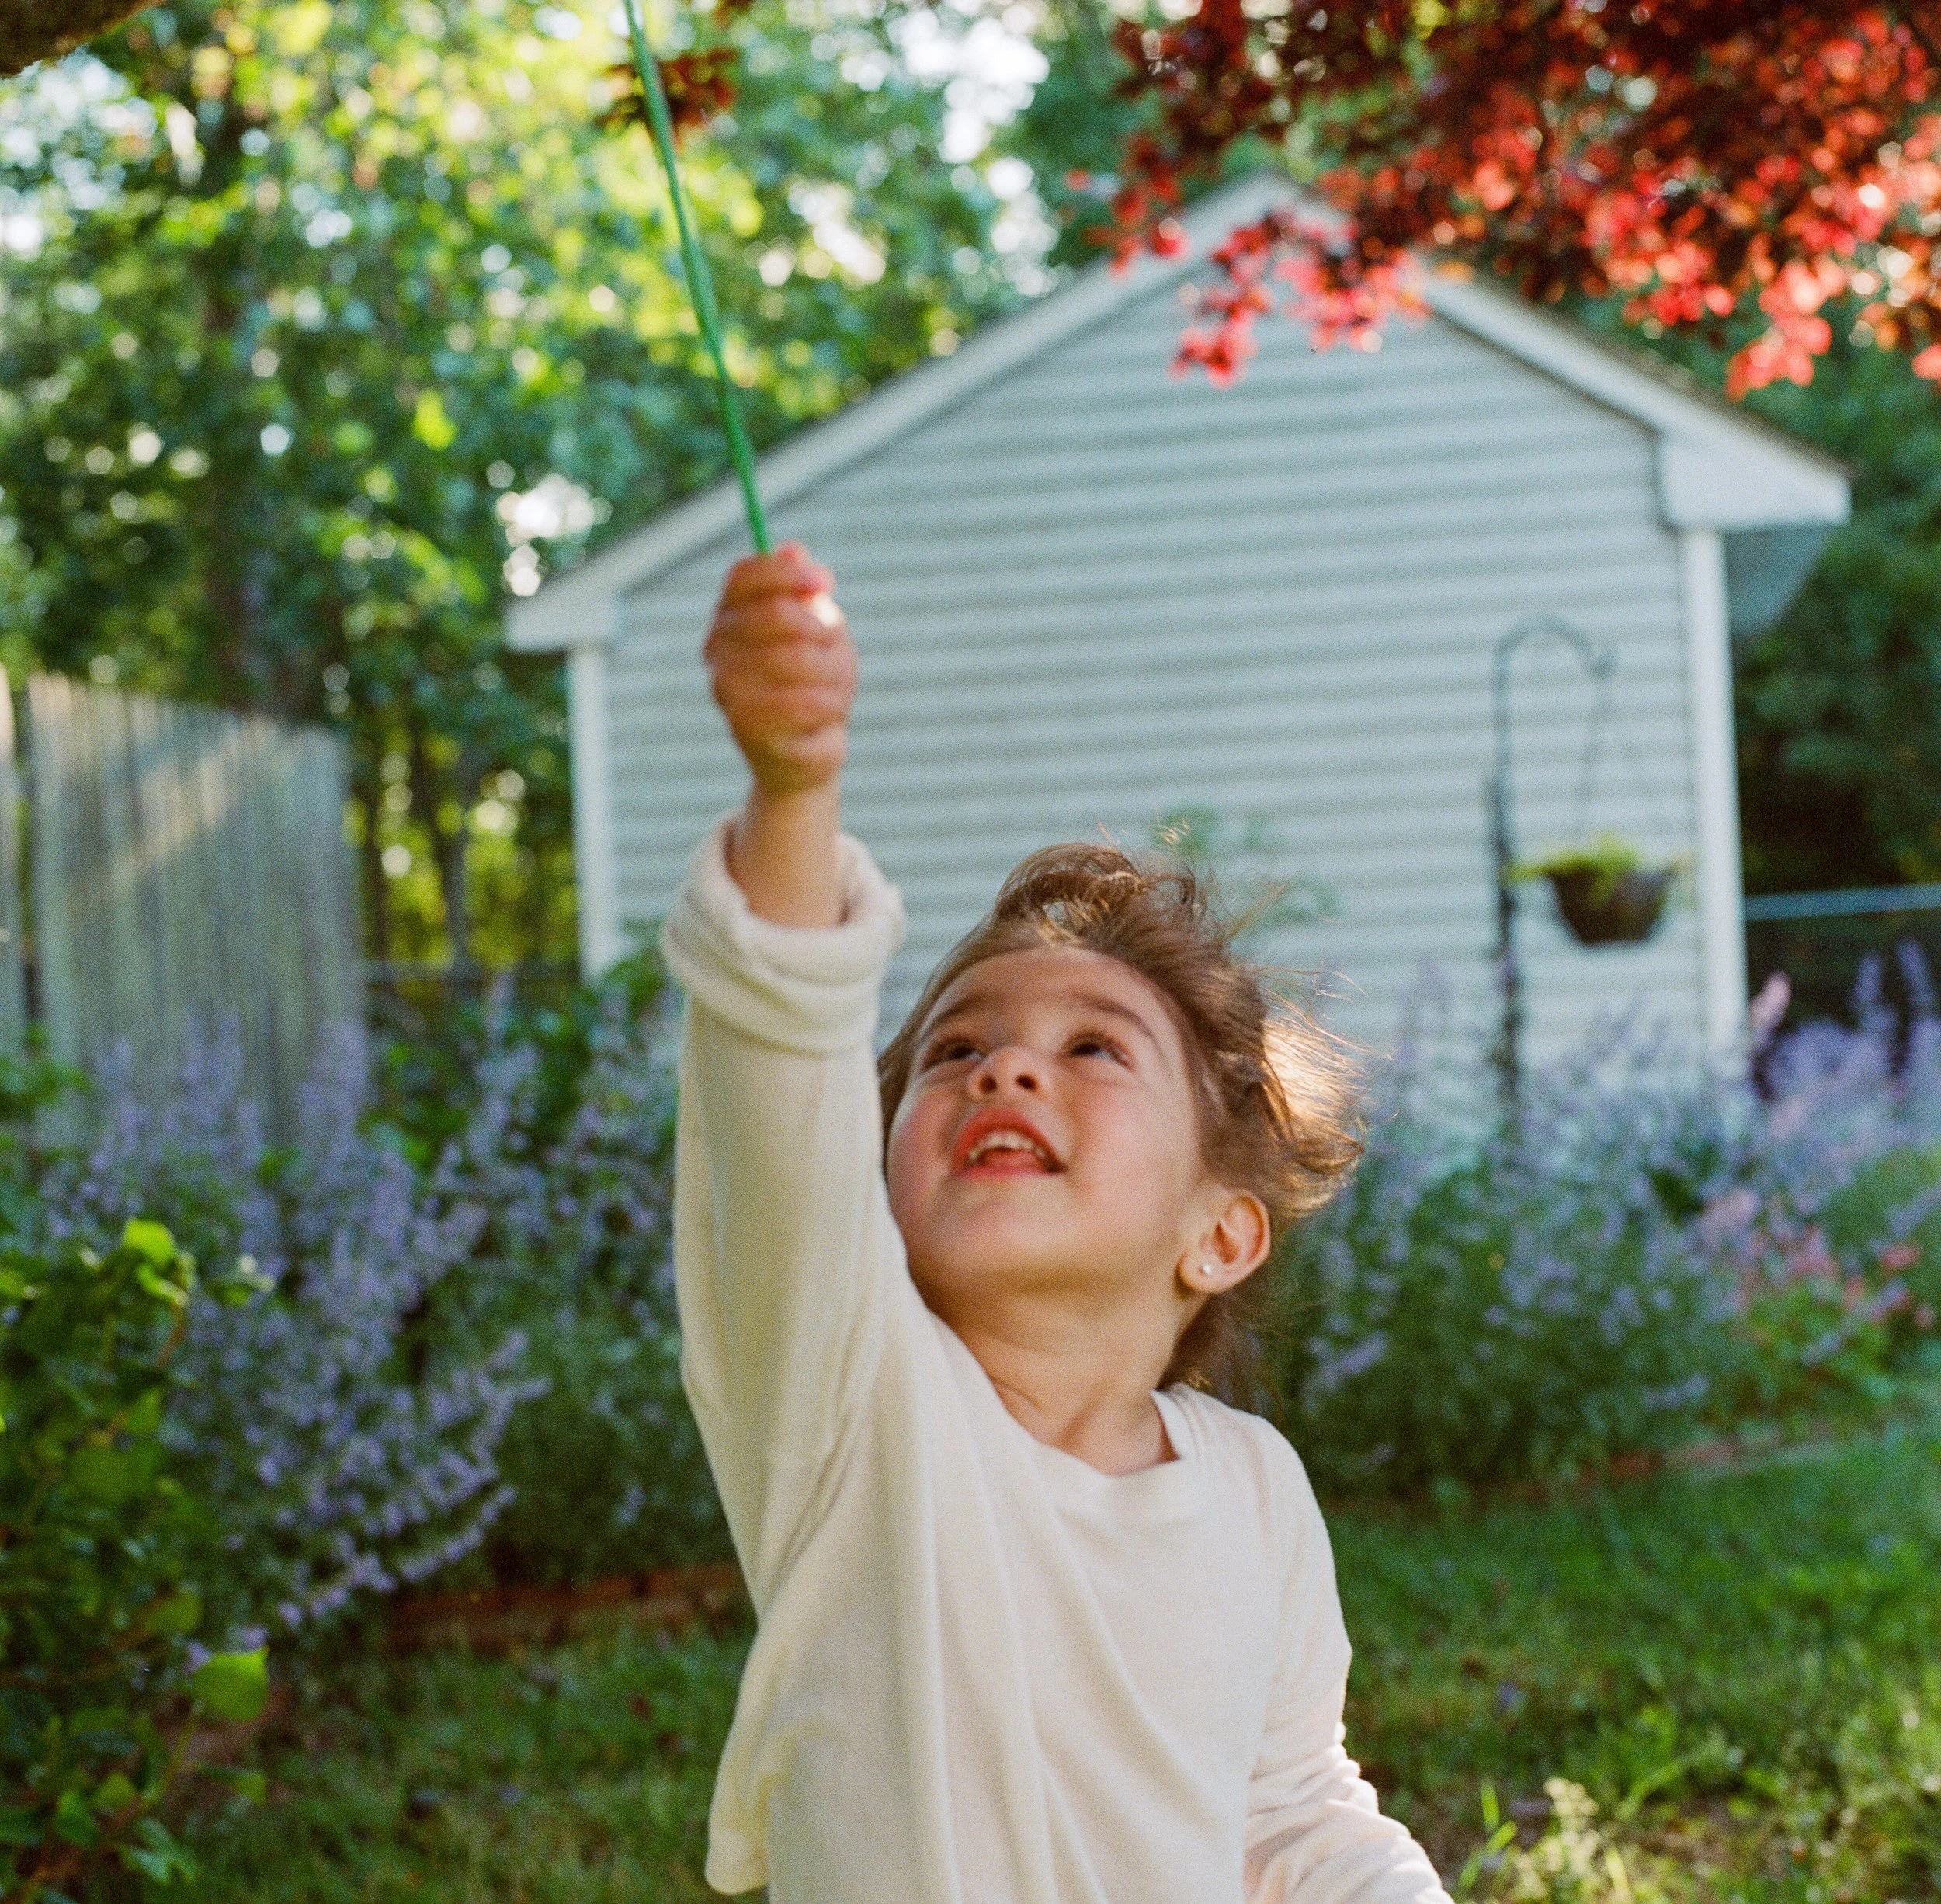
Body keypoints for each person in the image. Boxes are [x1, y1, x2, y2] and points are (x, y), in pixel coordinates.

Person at [661, 541, 1451, 1903]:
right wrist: (794, 791)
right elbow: (772, 1081)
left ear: (1220, 1233)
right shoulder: (850, 1405)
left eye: (1095, 1050)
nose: (1003, 1068)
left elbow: (1291, 1815)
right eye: (954, 1049)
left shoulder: (1253, 1490)